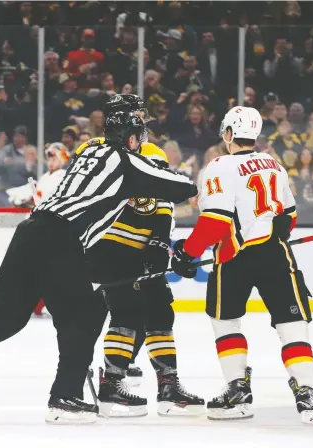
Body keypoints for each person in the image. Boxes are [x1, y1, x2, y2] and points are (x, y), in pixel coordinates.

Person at [0, 94, 197, 425]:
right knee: (86, 313)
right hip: (63, 239)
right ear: (132, 137)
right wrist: (182, 177)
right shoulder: (128, 162)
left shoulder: (87, 150)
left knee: (5, 314)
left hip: (32, 229)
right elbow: (181, 188)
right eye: (140, 136)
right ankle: (66, 397)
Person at [171, 106, 313, 425]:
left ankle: (238, 389)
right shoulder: (274, 165)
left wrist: (188, 253)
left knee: (225, 322)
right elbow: (288, 218)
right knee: (291, 324)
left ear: (228, 134)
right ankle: (308, 392)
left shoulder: (218, 166)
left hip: (232, 258)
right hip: (276, 255)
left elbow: (214, 221)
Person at [85, 94, 205, 418]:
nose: (143, 118)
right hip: (114, 248)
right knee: (126, 314)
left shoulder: (150, 151)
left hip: (143, 249)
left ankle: (168, 387)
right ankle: (111, 384)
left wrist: (158, 242)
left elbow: (163, 203)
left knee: (159, 313)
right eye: (136, 113)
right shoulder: (98, 151)